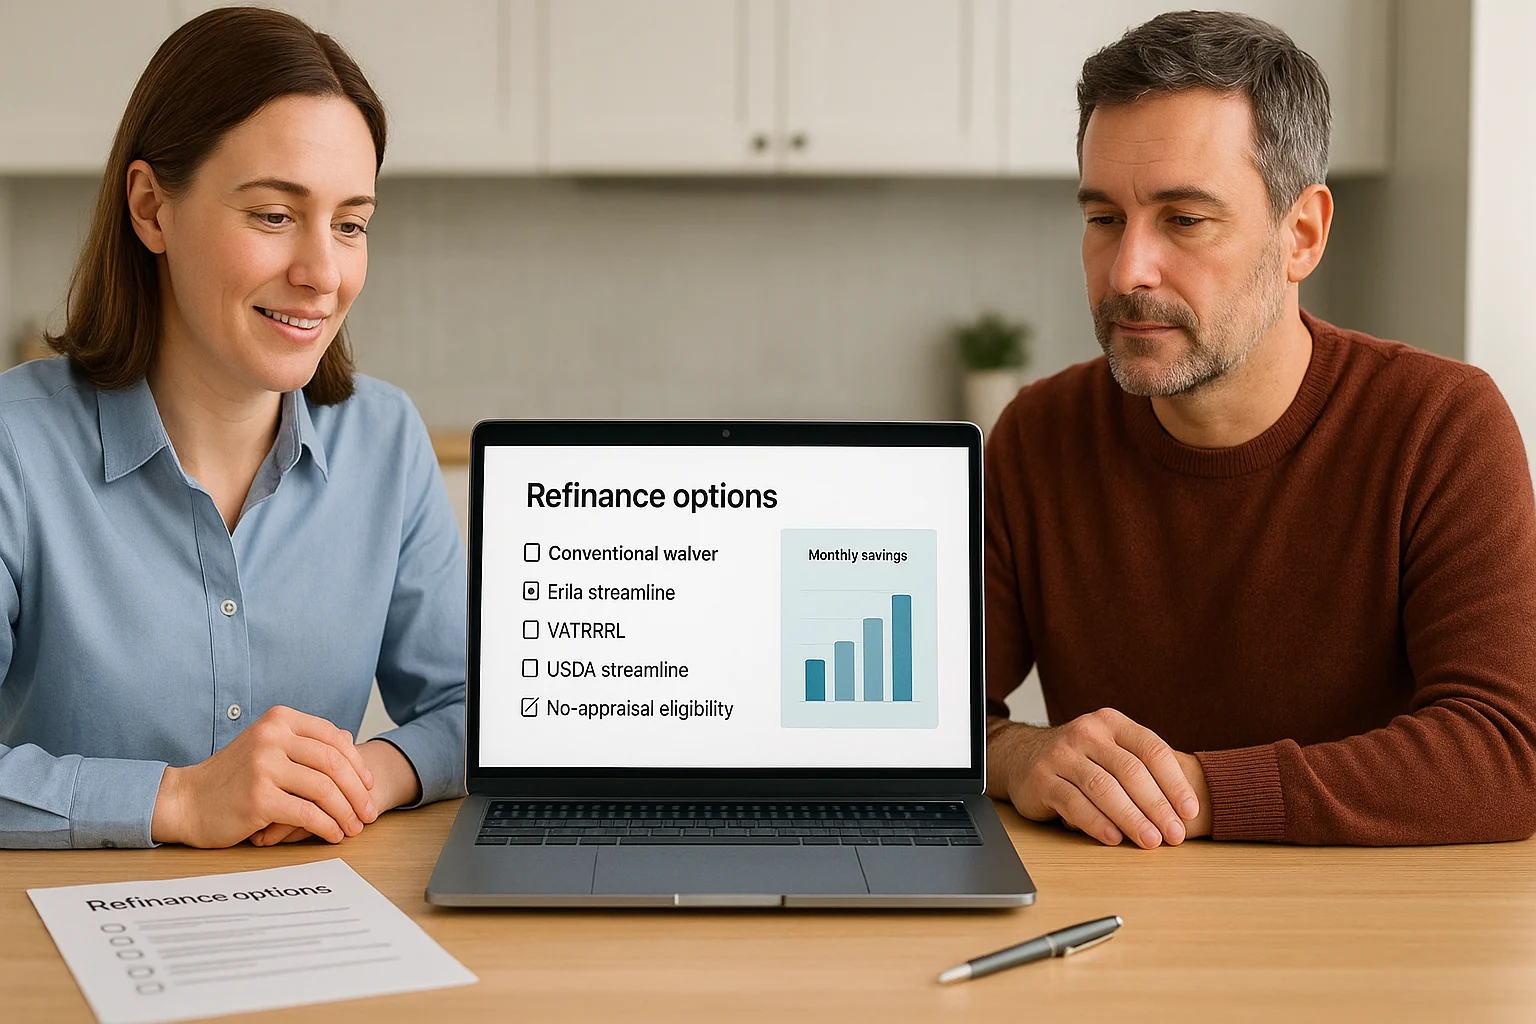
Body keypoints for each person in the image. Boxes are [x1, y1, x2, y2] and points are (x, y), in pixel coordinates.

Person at [984, 10, 1536, 847]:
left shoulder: (1440, 426)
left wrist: (1194, 792)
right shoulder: (1038, 435)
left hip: (1372, 942)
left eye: (1184, 219)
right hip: (1114, 941)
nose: (1128, 269)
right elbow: (912, 720)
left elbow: (1503, 754)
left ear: (1301, 234)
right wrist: (1017, 755)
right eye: (1103, 219)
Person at [0, 7, 466, 849]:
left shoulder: (387, 440)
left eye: (350, 224)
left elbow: (478, 709)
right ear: (151, 208)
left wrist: (361, 776)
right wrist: (177, 802)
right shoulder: (15, 448)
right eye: (273, 216)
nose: (322, 273)